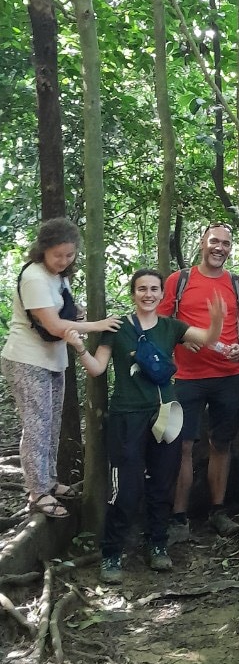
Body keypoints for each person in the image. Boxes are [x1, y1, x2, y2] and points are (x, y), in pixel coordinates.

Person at [70, 269, 225, 582]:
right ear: (133, 293)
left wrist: (218, 318)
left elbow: (208, 339)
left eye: (154, 289)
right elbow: (98, 369)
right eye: (142, 289)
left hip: (166, 412)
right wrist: (79, 348)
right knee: (126, 488)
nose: (149, 294)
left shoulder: (171, 327)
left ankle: (158, 545)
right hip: (128, 415)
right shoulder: (117, 327)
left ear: (162, 294)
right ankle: (111, 553)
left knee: (162, 483)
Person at [1, 218, 120, 518]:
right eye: (58, 255)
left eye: (69, 255)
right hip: (28, 359)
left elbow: (65, 311)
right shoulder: (34, 277)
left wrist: (80, 314)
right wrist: (96, 325)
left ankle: (49, 482)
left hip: (53, 359)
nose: (64, 261)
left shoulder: (59, 277)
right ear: (43, 250)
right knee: (37, 426)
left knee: (51, 424)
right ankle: (37, 492)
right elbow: (53, 325)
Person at [158, 223, 239, 540]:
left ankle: (218, 512)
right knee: (182, 445)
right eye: (215, 241)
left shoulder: (238, 285)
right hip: (186, 378)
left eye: (226, 244)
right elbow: (160, 323)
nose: (220, 248)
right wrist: (181, 341)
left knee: (221, 445)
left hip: (227, 377)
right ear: (203, 243)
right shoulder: (179, 281)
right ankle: (178, 518)